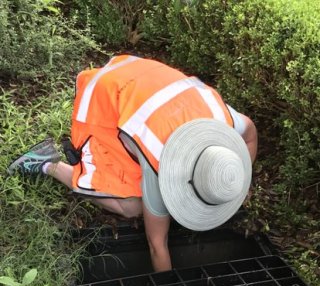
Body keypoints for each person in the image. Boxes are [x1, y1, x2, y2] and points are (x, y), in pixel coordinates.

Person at [8, 54, 258, 272]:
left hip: (141, 75)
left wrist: (236, 178)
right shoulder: (158, 162)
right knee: (131, 206)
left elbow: (251, 133)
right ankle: (48, 164)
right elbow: (156, 244)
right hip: (105, 97)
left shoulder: (224, 120)